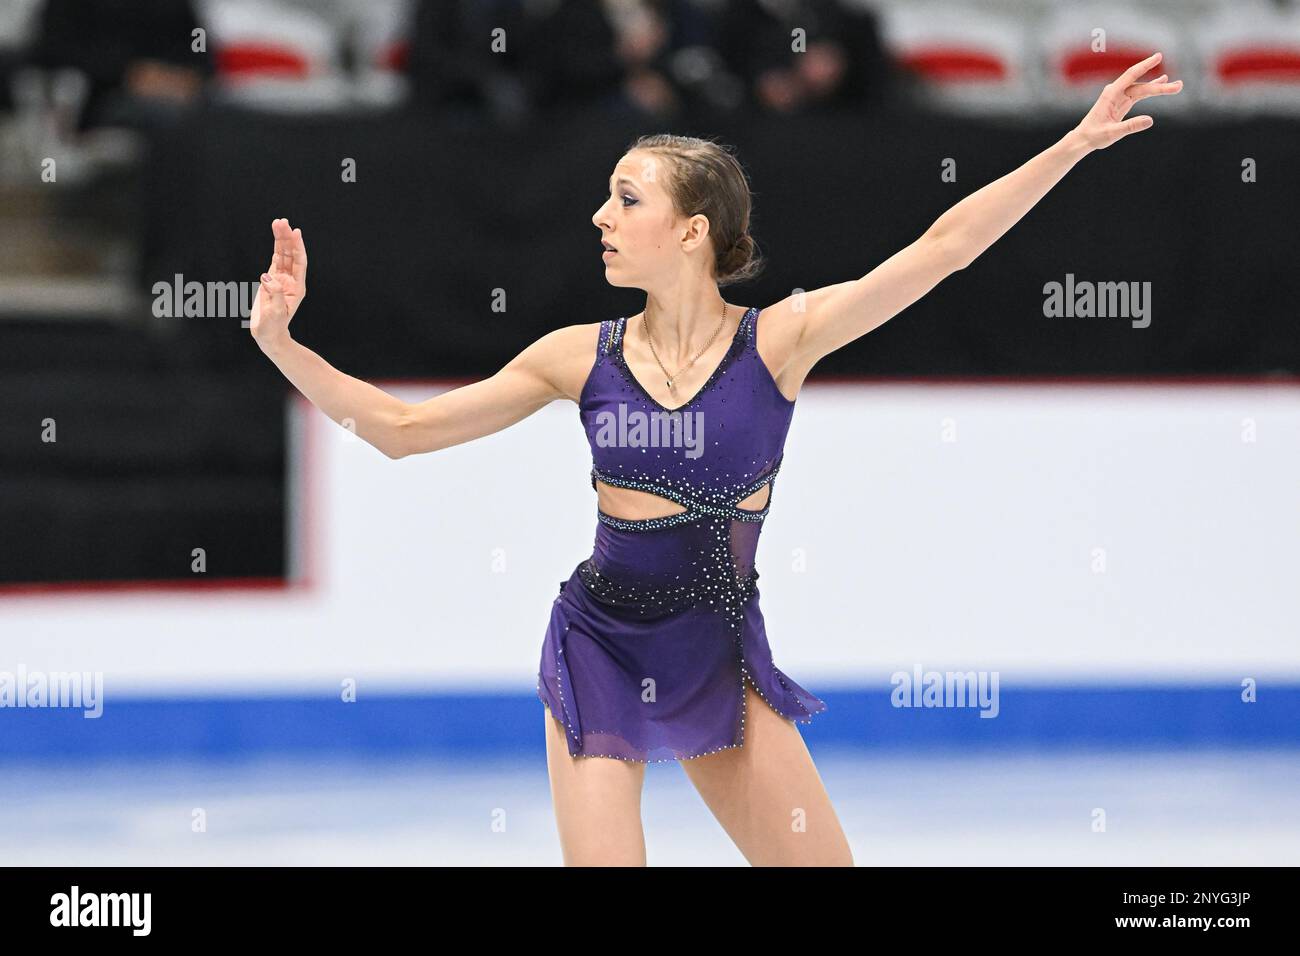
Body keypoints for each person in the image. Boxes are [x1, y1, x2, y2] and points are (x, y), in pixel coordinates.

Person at [248, 53, 1181, 866]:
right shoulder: (576, 356)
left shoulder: (782, 340)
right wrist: (286, 345)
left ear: (691, 231)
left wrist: (1072, 144)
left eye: (626, 198)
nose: (598, 215)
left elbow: (946, 249)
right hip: (599, 642)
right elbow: (403, 432)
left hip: (718, 649)